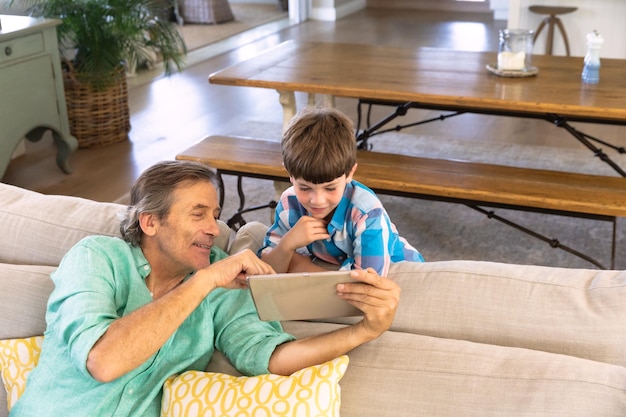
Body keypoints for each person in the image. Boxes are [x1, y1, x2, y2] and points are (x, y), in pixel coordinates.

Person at [11, 160, 400, 417]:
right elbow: (104, 361)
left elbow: (269, 356)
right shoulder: (97, 258)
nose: (215, 229)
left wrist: (365, 330)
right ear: (149, 222)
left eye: (214, 215)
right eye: (198, 215)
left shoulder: (219, 279)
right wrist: (203, 283)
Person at [259, 107, 424, 276]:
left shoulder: (366, 212)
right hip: (339, 269)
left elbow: (366, 284)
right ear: (290, 175)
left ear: (350, 173)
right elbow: (264, 273)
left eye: (330, 188)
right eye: (304, 188)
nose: (317, 200)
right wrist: (287, 244)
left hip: (400, 272)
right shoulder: (289, 202)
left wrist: (300, 266)